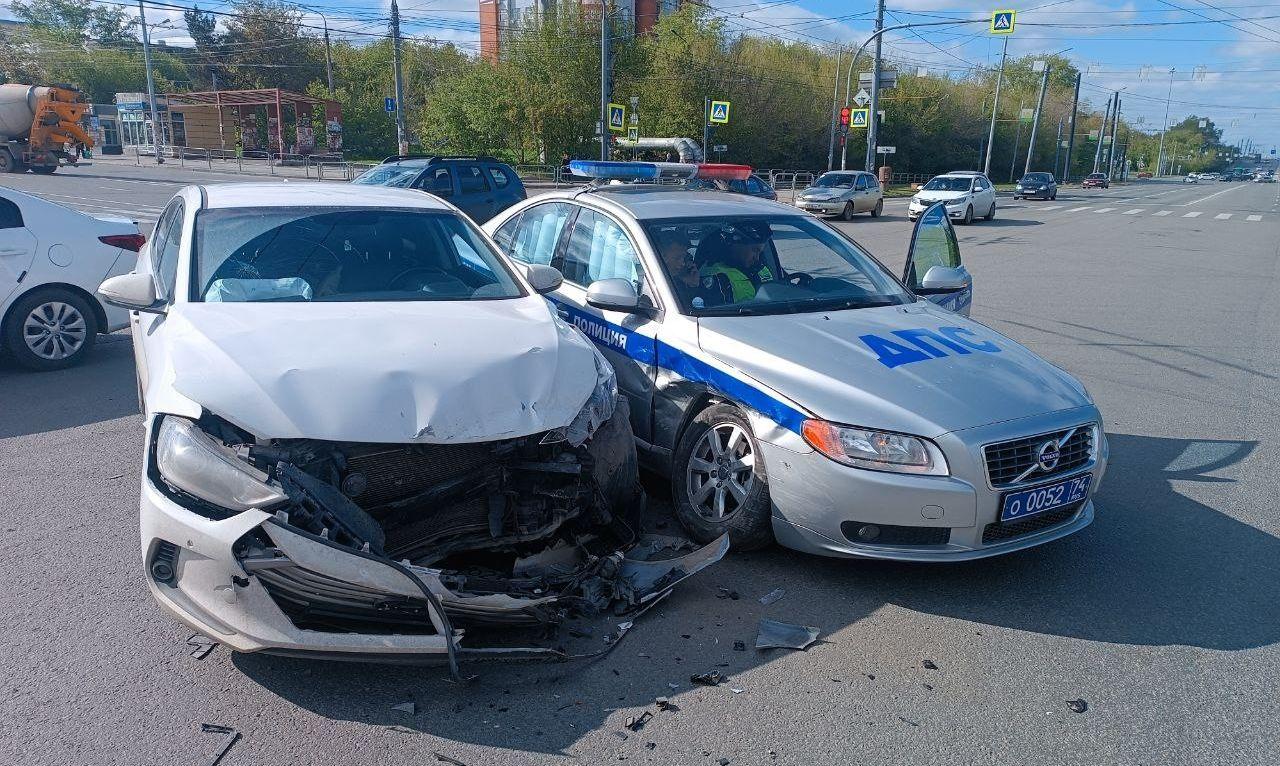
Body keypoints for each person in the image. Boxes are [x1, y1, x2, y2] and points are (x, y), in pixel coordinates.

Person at [697, 221, 775, 303]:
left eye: (760, 253)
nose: (757, 258)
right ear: (735, 245)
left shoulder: (760, 268)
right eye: (754, 250)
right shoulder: (714, 275)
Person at [653, 226, 721, 309]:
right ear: (660, 256)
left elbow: (705, 309)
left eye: (684, 257)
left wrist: (694, 286)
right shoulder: (651, 285)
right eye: (677, 258)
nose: (682, 263)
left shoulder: (685, 281)